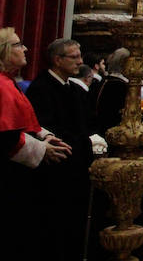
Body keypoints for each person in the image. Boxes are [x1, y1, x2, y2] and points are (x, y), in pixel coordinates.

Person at [1, 29, 74, 259]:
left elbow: (26, 123)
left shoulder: (9, 83)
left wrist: (44, 136)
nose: (25, 49)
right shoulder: (2, 86)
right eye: (18, 44)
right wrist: (43, 148)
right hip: (10, 177)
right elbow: (6, 136)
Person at [25, 38, 94, 260]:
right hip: (57, 170)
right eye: (74, 57)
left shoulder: (73, 88)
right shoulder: (42, 88)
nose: (80, 62)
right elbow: (46, 127)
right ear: (57, 60)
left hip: (77, 167)